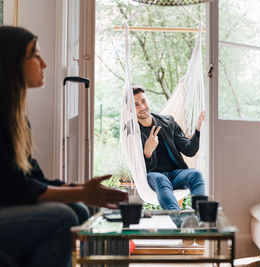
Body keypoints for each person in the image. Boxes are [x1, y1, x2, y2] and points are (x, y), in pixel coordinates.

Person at [0, 26, 128, 267]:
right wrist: (80, 192)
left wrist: (79, 190)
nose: (44, 64)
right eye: (35, 55)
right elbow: (13, 187)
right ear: (11, 63)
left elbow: (31, 178)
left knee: (79, 210)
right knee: (62, 217)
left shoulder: (15, 118)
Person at [133, 86, 205, 210]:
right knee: (161, 179)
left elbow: (189, 150)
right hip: (153, 176)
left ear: (148, 99)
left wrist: (198, 129)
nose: (142, 107)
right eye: (136, 105)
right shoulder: (133, 133)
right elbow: (140, 168)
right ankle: (179, 222)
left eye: (143, 101)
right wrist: (147, 152)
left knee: (195, 174)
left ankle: (201, 215)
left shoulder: (168, 121)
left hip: (175, 174)